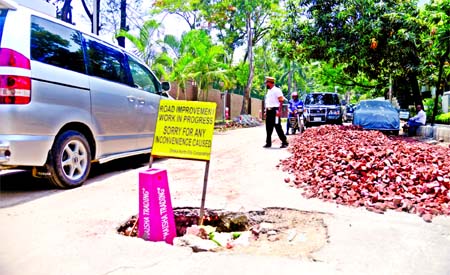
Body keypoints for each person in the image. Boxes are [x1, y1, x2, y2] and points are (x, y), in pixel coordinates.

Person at [263, 76, 289, 148]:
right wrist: (266, 111)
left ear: (270, 83)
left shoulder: (277, 90)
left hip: (275, 111)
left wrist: (279, 111)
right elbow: (268, 102)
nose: (266, 85)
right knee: (268, 127)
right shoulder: (269, 91)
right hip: (269, 111)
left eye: (267, 83)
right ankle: (268, 143)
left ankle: (284, 142)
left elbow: (281, 101)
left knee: (277, 127)